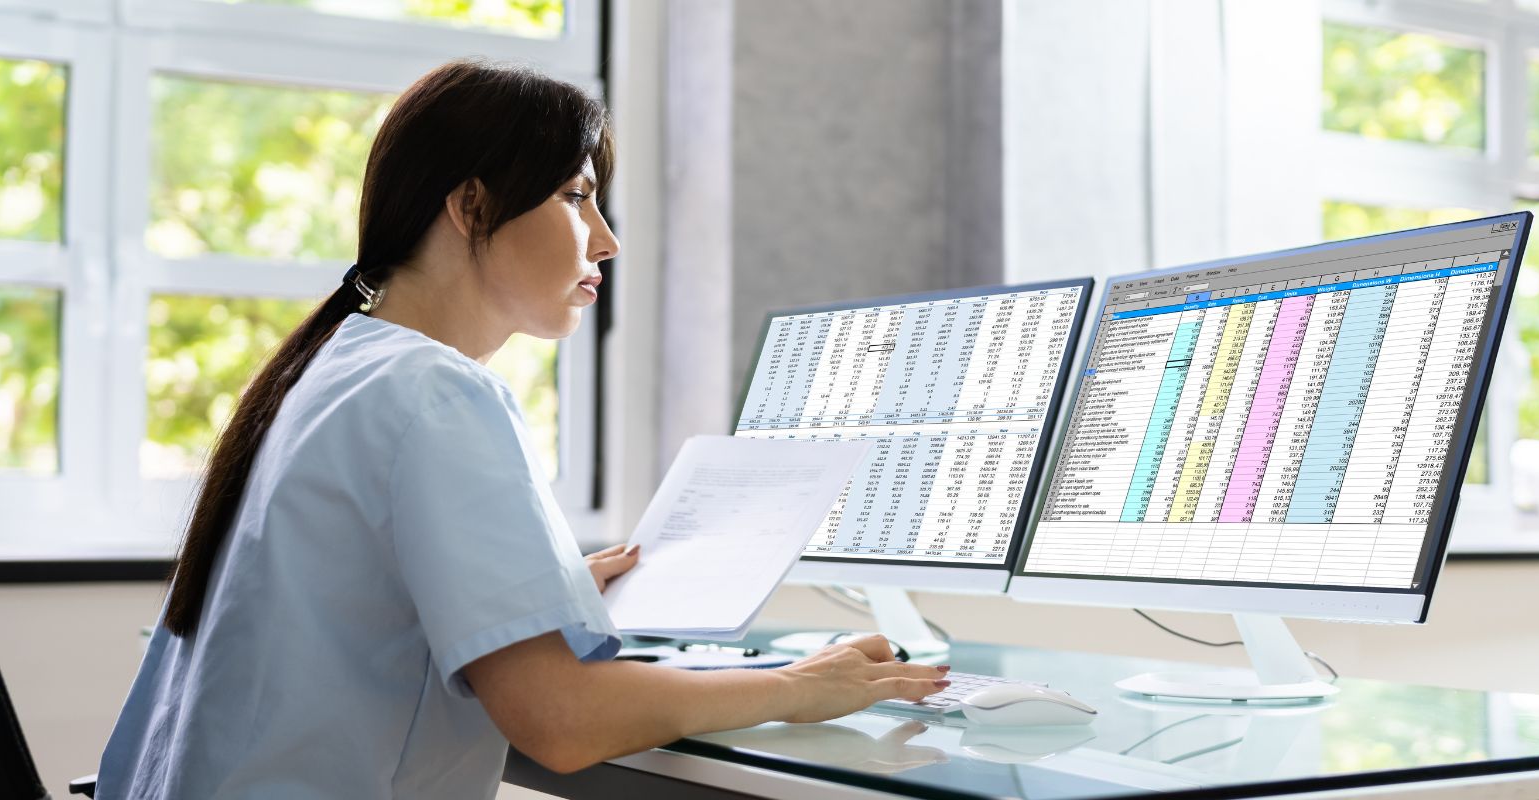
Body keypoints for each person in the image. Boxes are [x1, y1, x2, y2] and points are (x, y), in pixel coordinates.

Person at [96, 59, 947, 798]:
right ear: (471, 205)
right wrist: (799, 686)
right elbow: (562, 721)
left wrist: (531, 590)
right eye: (577, 198)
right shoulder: (436, 393)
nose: (606, 241)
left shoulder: (332, 369)